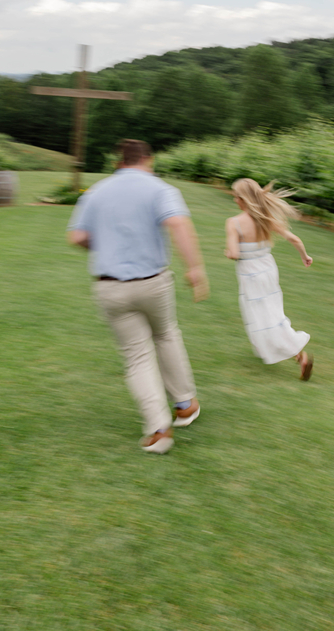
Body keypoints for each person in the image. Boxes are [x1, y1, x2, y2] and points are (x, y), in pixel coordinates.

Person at [68, 139, 209, 454]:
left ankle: (159, 430)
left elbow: (77, 236)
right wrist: (195, 269)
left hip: (109, 287)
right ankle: (185, 404)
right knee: (166, 335)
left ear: (120, 161)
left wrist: (104, 247)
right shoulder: (159, 189)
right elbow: (179, 225)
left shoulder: (97, 191)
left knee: (137, 356)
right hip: (153, 283)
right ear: (148, 159)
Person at [224, 178, 314, 380]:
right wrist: (304, 255)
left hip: (250, 274)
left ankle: (298, 355)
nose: (234, 200)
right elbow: (294, 238)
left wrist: (227, 252)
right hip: (268, 270)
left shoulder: (234, 223)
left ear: (243, 199)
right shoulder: (266, 218)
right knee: (273, 311)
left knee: (262, 317)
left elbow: (234, 253)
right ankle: (284, 352)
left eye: (236, 196)